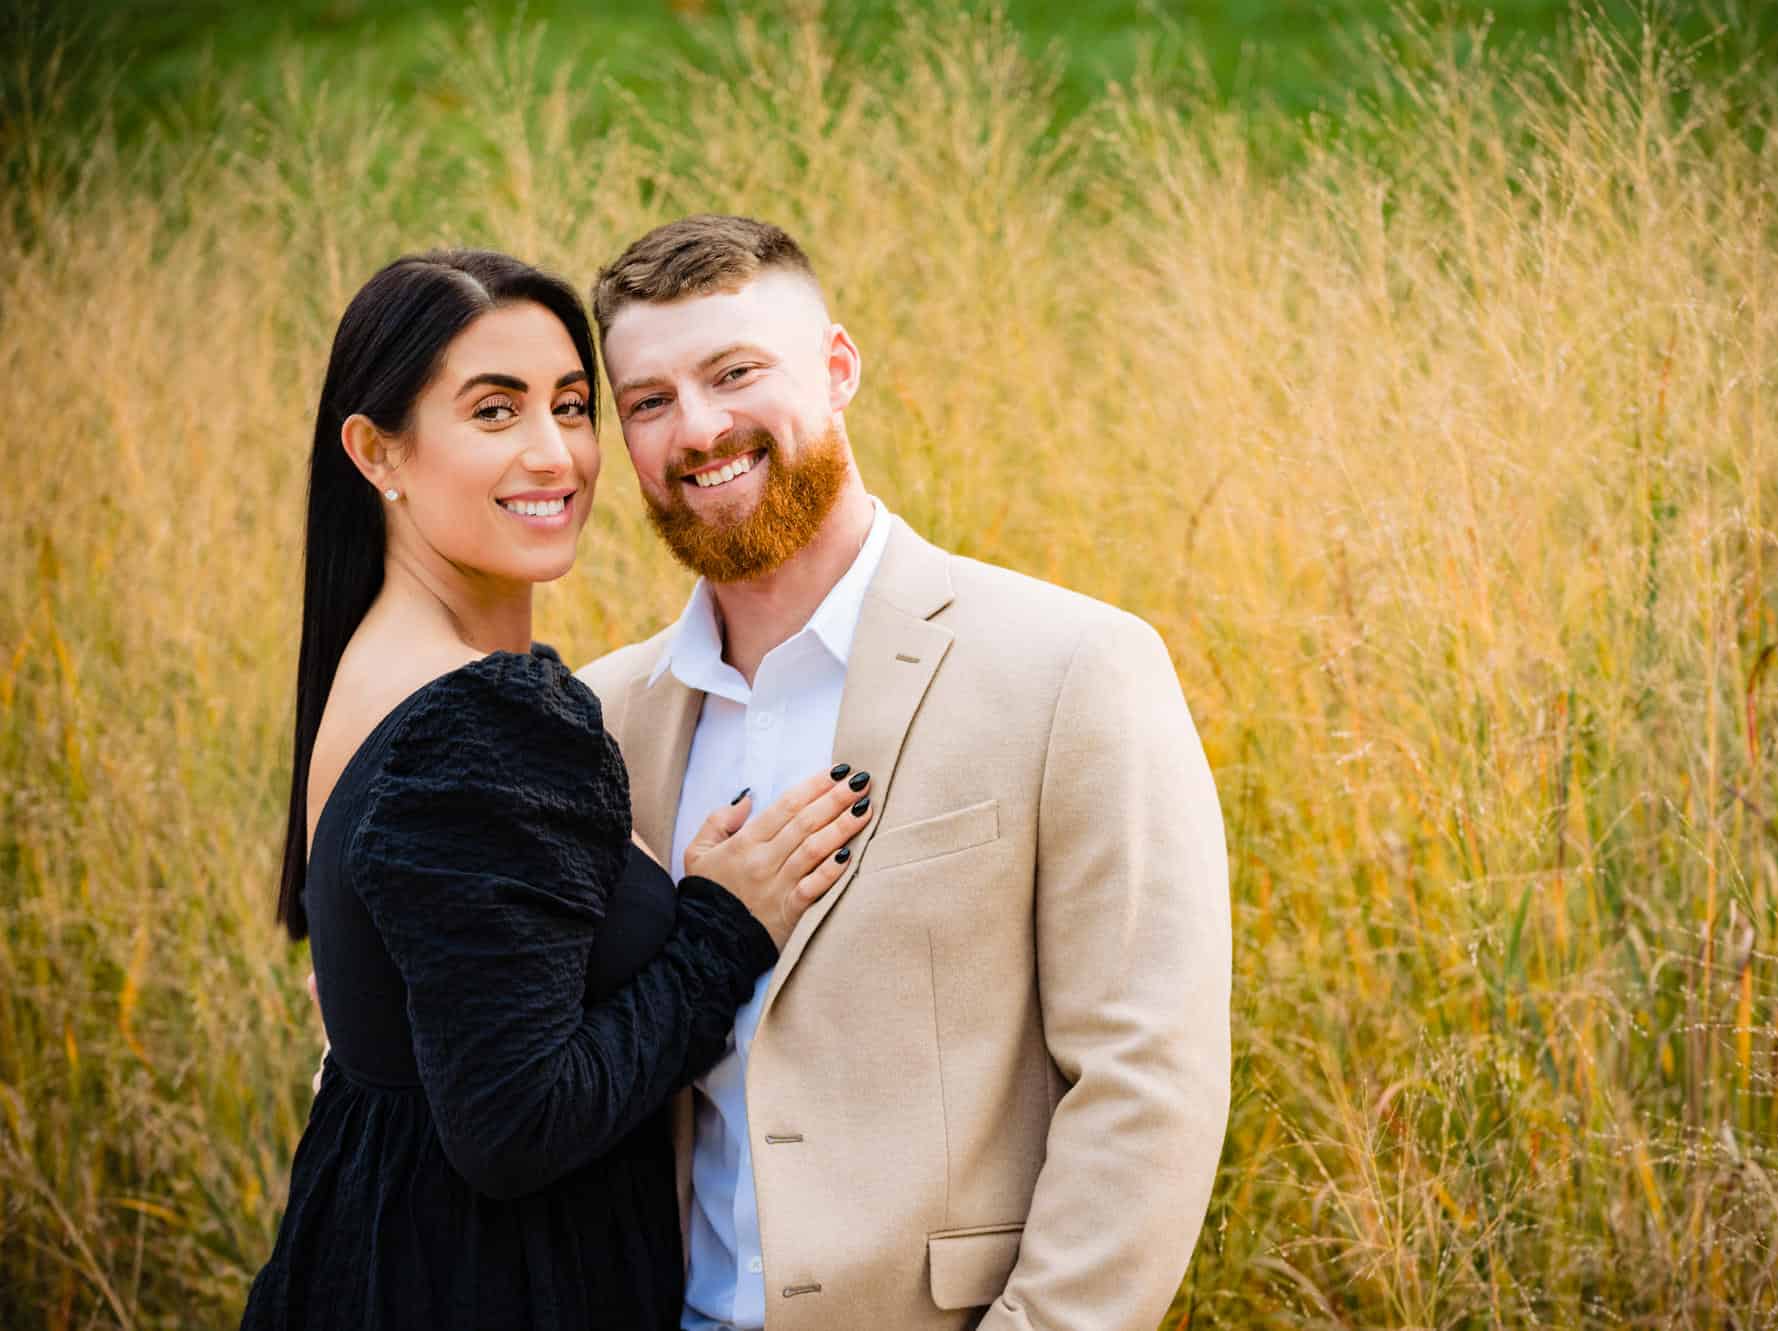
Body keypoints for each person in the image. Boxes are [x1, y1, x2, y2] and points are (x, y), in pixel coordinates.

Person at [575, 215, 1232, 1331]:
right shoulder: (597, 719)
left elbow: (1145, 1080)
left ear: (836, 370)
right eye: (648, 399)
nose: (699, 427)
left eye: (735, 372)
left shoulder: (1069, 666)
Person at [243, 249, 872, 1331]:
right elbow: (513, 1120)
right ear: (375, 450)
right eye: (494, 411)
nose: (556, 454)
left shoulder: (380, 666)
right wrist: (724, 927)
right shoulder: (478, 718)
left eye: (573, 406)